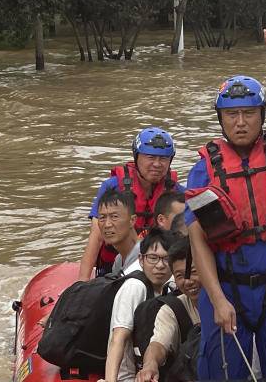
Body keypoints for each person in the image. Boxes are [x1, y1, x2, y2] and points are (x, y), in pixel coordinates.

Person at [185, 28, 266, 380]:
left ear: (261, 115)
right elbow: (197, 238)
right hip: (228, 286)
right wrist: (216, 299)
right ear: (221, 118)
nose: (240, 122)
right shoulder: (204, 169)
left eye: (248, 113)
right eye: (232, 114)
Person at [78, 127, 182, 281]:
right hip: (113, 265)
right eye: (150, 157)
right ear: (137, 157)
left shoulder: (177, 193)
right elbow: (97, 237)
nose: (157, 164)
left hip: (159, 266)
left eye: (163, 159)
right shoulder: (112, 187)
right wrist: (82, 284)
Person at [104, 228, 176, 382]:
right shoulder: (134, 287)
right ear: (141, 260)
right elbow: (118, 339)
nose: (160, 265)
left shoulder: (170, 288)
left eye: (166, 259)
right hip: (127, 377)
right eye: (153, 258)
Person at [136, 237, 202, 382]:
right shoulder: (172, 310)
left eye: (194, 271)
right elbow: (158, 344)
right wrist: (150, 365)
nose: (188, 281)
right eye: (180, 276)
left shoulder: (228, 303)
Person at [96, 189, 141, 275]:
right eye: (102, 218)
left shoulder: (144, 257)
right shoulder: (119, 260)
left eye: (114, 216)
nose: (107, 224)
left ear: (132, 220)